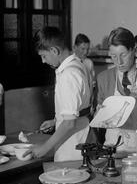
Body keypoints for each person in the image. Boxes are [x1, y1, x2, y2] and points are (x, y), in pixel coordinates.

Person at [24, 26, 92, 162]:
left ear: (54, 50)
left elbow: (69, 124)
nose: (43, 61)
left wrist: (44, 148)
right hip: (79, 137)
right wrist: (56, 120)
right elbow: (78, 107)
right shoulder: (78, 64)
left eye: (44, 56)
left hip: (72, 147)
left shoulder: (68, 75)